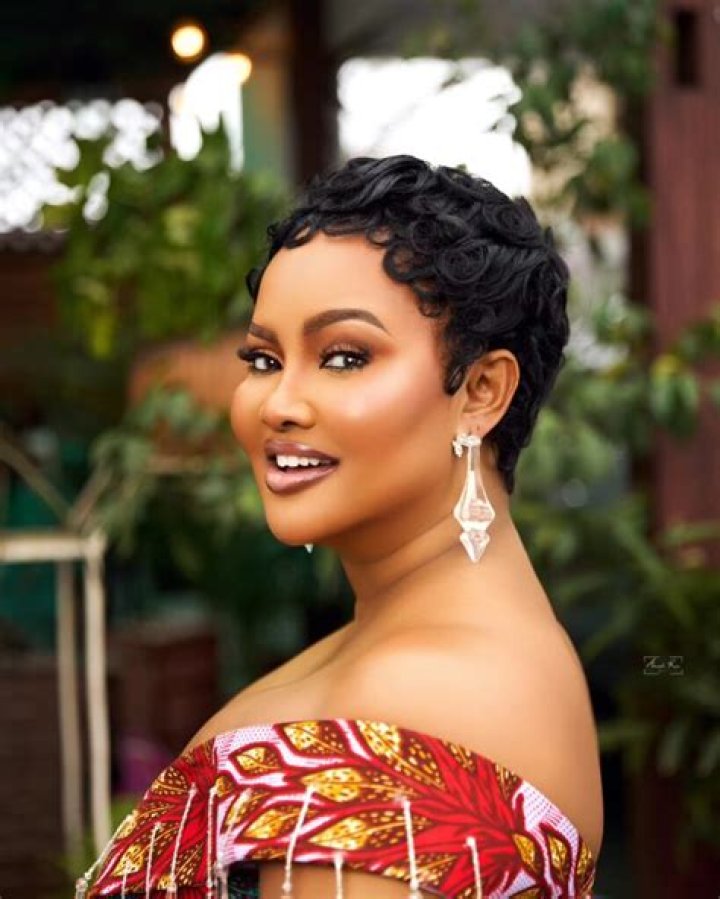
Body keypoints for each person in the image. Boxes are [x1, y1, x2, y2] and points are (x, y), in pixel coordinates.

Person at [82, 155, 603, 898]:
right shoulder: (432, 653)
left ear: (481, 391)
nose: (276, 404)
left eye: (344, 356)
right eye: (264, 358)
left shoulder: (426, 695)